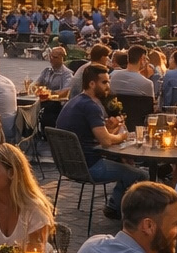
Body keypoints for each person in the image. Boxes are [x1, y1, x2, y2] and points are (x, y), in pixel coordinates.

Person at [53, 64, 147, 218]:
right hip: (89, 167)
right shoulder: (91, 106)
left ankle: (114, 206)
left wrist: (111, 129)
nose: (108, 86)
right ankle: (121, 211)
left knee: (123, 163)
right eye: (104, 82)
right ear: (92, 84)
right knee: (141, 175)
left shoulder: (74, 101)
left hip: (68, 166)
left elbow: (99, 135)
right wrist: (124, 136)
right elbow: (106, 142)